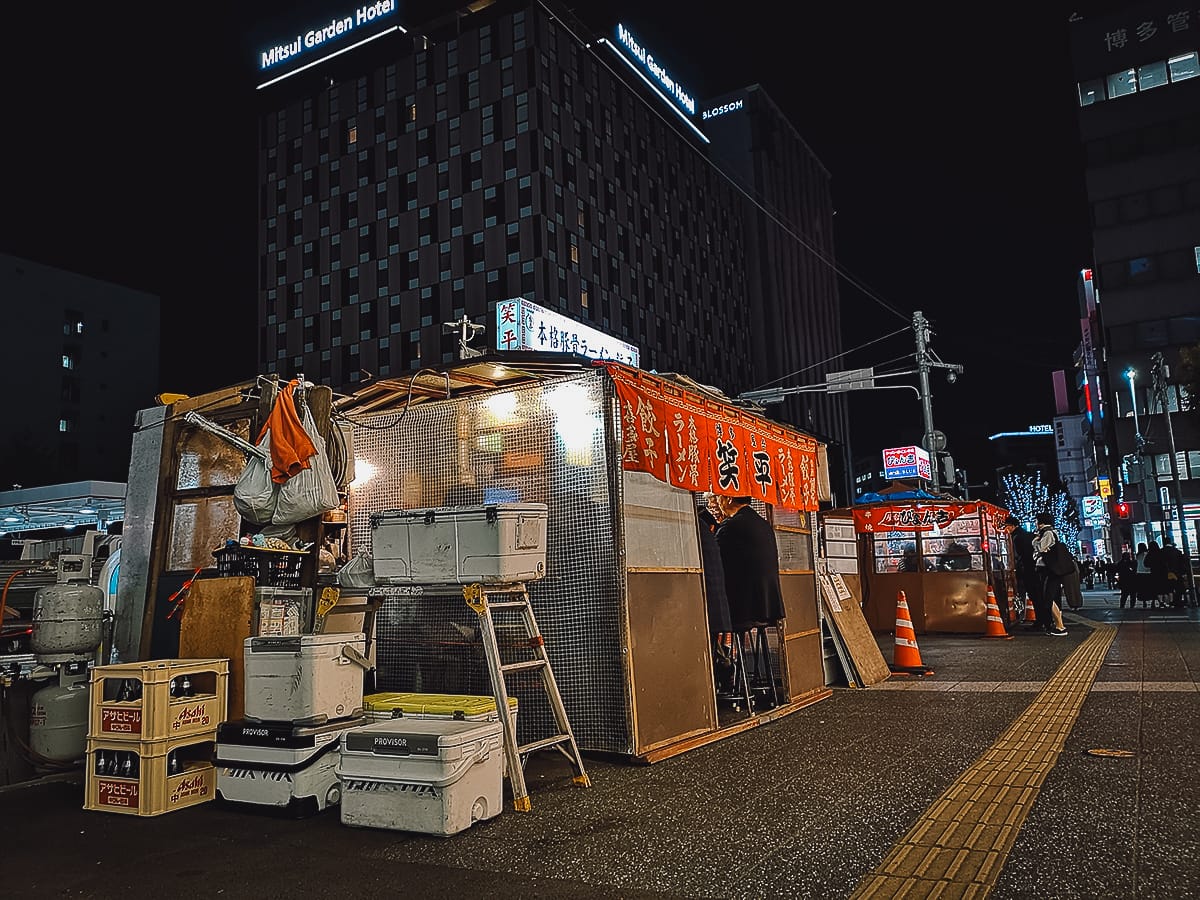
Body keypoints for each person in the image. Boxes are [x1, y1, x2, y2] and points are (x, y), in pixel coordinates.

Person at [714, 495, 784, 631]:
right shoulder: (763, 524)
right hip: (769, 603)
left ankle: (718, 651)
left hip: (746, 607)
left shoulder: (732, 525)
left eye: (718, 498)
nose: (717, 502)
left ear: (728, 498)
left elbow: (714, 559)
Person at [1032, 512, 1069, 636]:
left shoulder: (1047, 533)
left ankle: (1060, 627)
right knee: (1050, 598)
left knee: (1048, 598)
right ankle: (1059, 625)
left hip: (1050, 570)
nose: (1036, 524)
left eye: (1037, 521)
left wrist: (1035, 541)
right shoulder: (1052, 532)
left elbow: (1040, 548)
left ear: (1041, 522)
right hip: (1052, 570)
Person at [1007, 515, 1041, 624]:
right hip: (1033, 568)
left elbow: (1016, 556)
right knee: (1036, 595)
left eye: (1007, 526)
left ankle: (1023, 615)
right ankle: (1041, 620)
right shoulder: (1028, 535)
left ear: (1013, 526)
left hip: (1024, 570)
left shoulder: (1016, 538)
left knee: (1027, 593)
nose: (1006, 529)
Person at [1160, 538, 1188, 609]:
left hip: (1165, 573)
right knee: (1178, 588)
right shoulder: (1177, 551)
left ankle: (1170, 602)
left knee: (1168, 588)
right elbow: (1182, 563)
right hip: (1177, 573)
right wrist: (1183, 572)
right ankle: (1178, 601)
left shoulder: (1161, 552)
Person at [1134, 542, 1152, 609]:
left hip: (1139, 573)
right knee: (1149, 588)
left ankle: (1144, 602)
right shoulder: (1147, 554)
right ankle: (1151, 600)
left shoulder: (1138, 555)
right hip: (1147, 572)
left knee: (1142, 589)